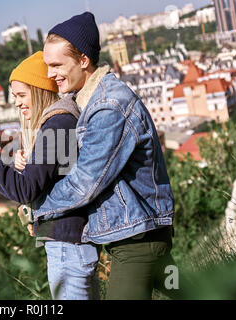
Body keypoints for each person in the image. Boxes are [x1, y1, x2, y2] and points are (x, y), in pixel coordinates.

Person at [32, 12, 181, 300]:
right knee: (192, 291)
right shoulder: (90, 100)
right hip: (139, 233)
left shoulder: (108, 106)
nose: (50, 74)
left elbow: (85, 183)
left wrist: (39, 208)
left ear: (84, 60)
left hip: (138, 241)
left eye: (56, 65)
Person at [0, 51, 102, 300]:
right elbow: (51, 181)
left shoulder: (58, 125)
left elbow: (26, 188)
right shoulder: (56, 124)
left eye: (21, 95)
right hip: (69, 243)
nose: (16, 102)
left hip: (68, 246)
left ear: (38, 91)